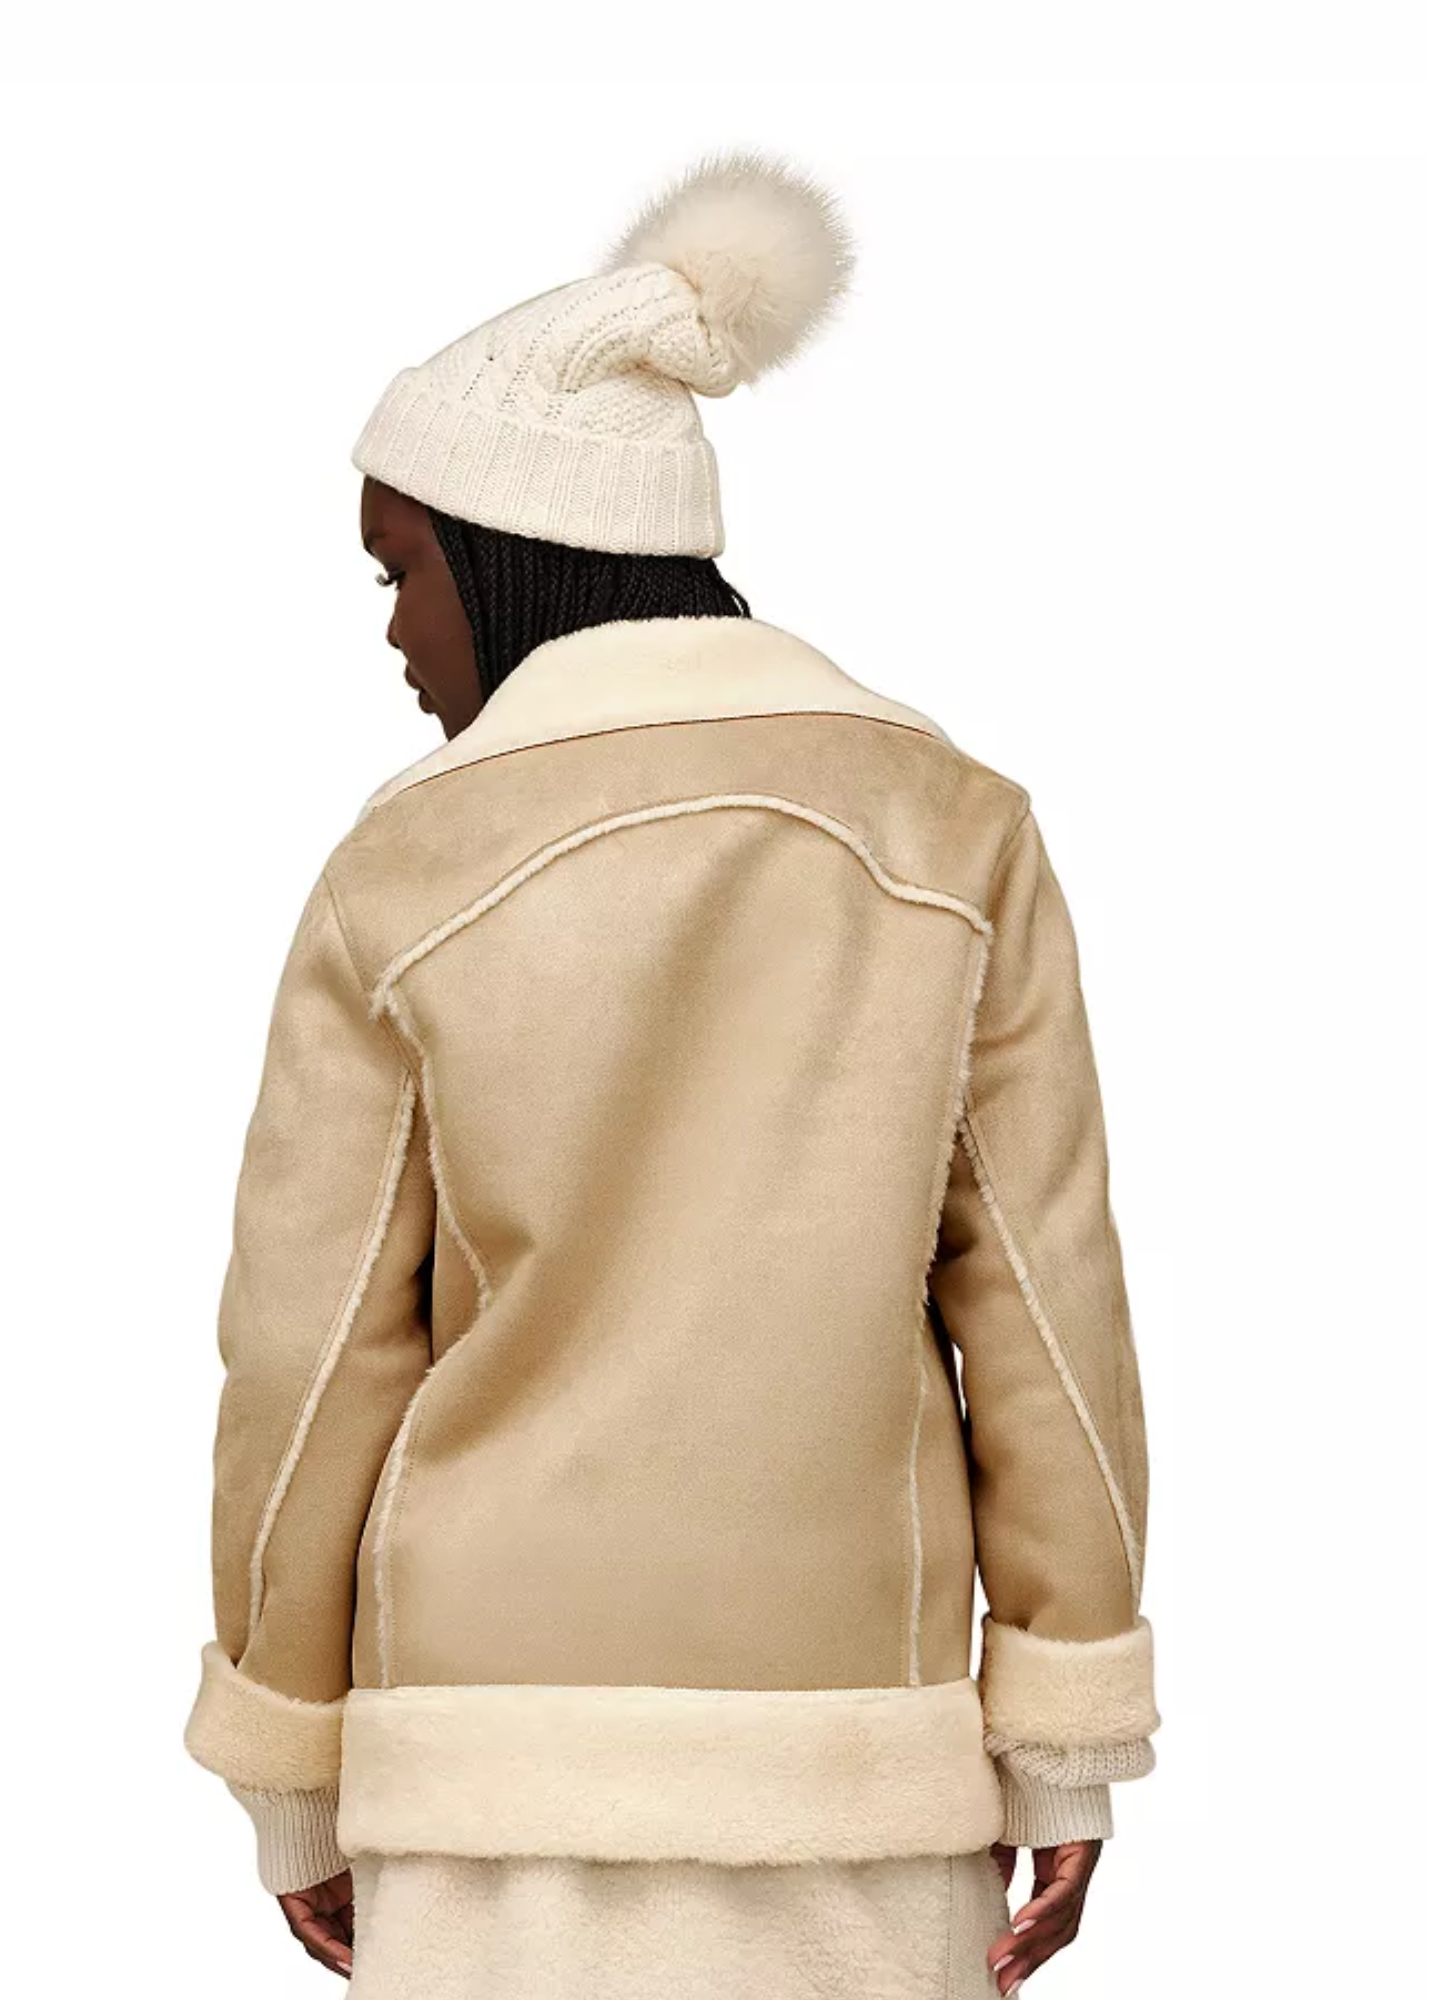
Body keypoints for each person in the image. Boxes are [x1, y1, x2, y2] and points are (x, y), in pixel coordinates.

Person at [184, 150, 1157, 1999]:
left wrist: (289, 1774)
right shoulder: (953, 829)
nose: (393, 632)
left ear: (507, 552)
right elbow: (1047, 1312)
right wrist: (1062, 1737)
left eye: (399, 570)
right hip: (857, 1775)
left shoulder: (409, 862)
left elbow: (308, 1357)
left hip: (488, 1784)